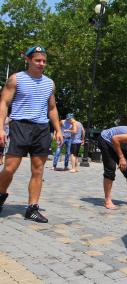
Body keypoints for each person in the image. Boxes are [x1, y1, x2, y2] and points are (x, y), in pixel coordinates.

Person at [0, 45, 63, 223]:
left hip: (42, 129)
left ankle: (32, 208)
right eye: (37, 60)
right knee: (10, 167)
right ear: (28, 60)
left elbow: (52, 108)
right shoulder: (16, 79)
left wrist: (58, 129)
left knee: (38, 169)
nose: (41, 64)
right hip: (20, 125)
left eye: (44, 61)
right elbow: (3, 103)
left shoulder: (49, 83)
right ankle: (0, 194)